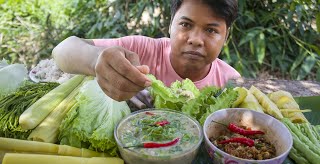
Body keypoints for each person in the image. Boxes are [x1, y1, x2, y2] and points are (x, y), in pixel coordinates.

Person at [52, 0, 240, 103]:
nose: (196, 40)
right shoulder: (142, 49)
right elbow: (63, 49)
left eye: (211, 30)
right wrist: (96, 60)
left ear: (226, 35)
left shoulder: (231, 83)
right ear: (170, 25)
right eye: (185, 24)